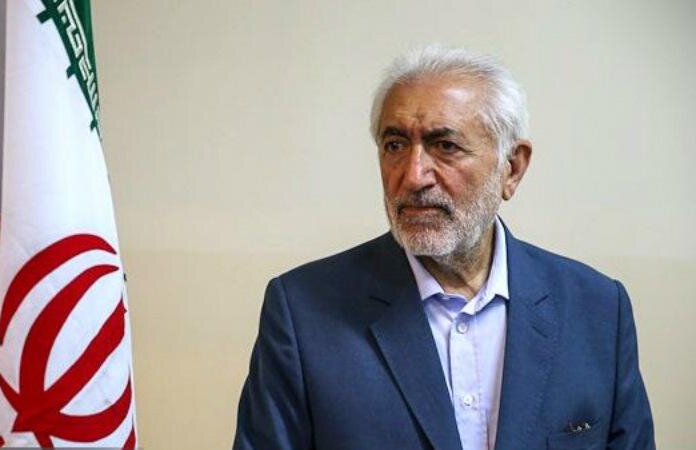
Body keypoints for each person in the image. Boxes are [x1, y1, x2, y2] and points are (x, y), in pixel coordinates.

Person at [233, 44, 654, 450]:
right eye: (395, 145)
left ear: (512, 168)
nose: (413, 175)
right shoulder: (303, 312)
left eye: (445, 146)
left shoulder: (597, 309)